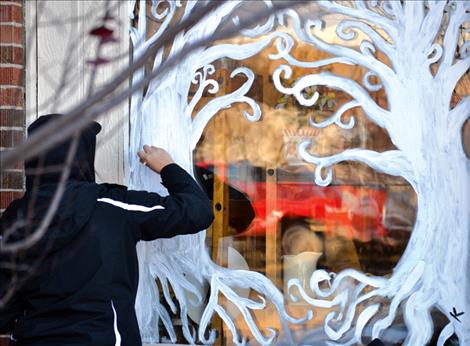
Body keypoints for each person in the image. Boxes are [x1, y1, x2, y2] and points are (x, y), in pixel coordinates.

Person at [0, 114, 214, 345]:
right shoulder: (111, 206)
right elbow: (198, 211)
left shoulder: (12, 223)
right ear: (83, 155)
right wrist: (168, 167)